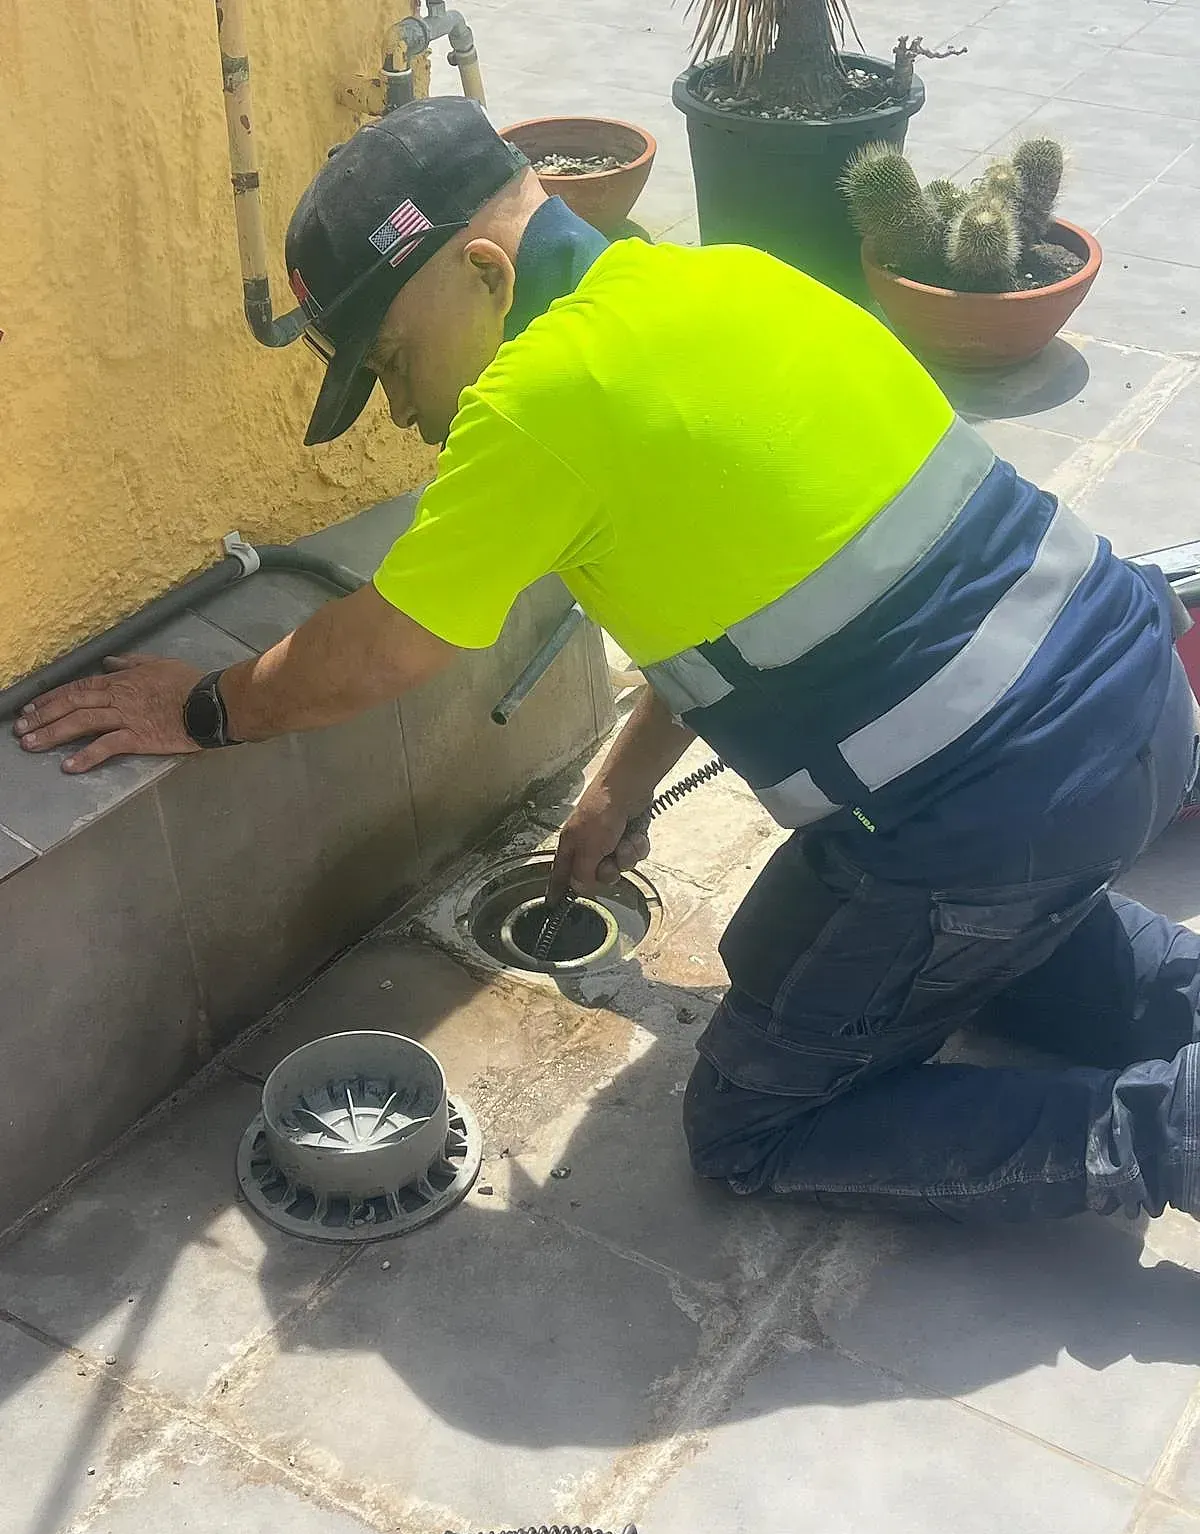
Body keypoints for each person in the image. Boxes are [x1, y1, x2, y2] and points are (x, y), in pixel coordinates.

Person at [13, 98, 1200, 1224]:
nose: (404, 412)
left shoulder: (538, 399)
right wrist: (623, 783)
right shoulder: (728, 278)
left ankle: (1176, 1132)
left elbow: (377, 649)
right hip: (1134, 703)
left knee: (755, 1124)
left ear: (482, 274)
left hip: (999, 815)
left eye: (391, 363)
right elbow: (752, 580)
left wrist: (207, 707)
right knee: (778, 954)